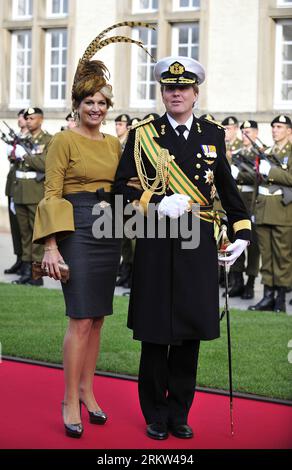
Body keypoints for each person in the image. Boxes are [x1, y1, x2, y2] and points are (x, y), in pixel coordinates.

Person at [114, 56, 251, 440]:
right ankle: (155, 413)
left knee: (189, 332)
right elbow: (122, 189)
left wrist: (242, 233)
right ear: (162, 92)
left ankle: (179, 412)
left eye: (183, 88)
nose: (176, 93)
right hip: (157, 241)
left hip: (198, 244)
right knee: (156, 331)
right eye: (169, 88)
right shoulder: (143, 134)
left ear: (195, 93)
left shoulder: (212, 133)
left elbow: (226, 187)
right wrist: (156, 203)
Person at [32, 21, 153, 438]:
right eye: (89, 102)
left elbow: (127, 185)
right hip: (76, 228)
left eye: (102, 102)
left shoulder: (114, 144)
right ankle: (68, 399)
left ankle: (87, 391)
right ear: (78, 104)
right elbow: (51, 195)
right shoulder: (63, 141)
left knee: (99, 318)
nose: (96, 108)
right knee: (80, 318)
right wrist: (50, 248)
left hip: (110, 228)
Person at [249, 115, 292, 313]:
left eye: (280, 126)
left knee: (282, 256)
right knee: (266, 256)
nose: (275, 130)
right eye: (274, 126)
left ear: (289, 131)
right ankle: (267, 295)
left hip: (283, 211)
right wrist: (253, 210)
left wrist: (272, 172)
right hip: (263, 209)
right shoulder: (266, 152)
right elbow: (257, 185)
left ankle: (281, 298)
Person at [12, 107, 52, 286]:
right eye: (27, 118)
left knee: (36, 235)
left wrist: (25, 157)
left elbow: (45, 164)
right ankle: (26, 271)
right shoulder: (23, 139)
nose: (28, 121)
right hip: (20, 190)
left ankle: (37, 275)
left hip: (35, 192)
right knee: (24, 235)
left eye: (32, 118)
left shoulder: (48, 140)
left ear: (41, 120)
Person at [226, 120, 261, 299]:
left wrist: (238, 174)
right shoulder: (238, 153)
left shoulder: (260, 154)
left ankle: (251, 281)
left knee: (252, 244)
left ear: (256, 133)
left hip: (251, 200)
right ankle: (237, 279)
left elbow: (258, 176)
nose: (245, 135)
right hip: (238, 199)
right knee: (236, 238)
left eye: (248, 131)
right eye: (243, 131)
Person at [4, 109, 29, 275]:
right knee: (15, 226)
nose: (20, 120)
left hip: (27, 189)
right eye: (20, 117)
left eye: (24, 117)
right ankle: (19, 258)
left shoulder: (34, 139)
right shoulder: (16, 138)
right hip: (13, 185)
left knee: (26, 229)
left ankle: (27, 261)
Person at [114, 113, 134, 288]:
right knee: (125, 238)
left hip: (138, 198)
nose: (118, 127)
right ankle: (126, 271)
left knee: (135, 239)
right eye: (117, 123)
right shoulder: (117, 144)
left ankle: (132, 274)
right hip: (124, 195)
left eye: (121, 124)